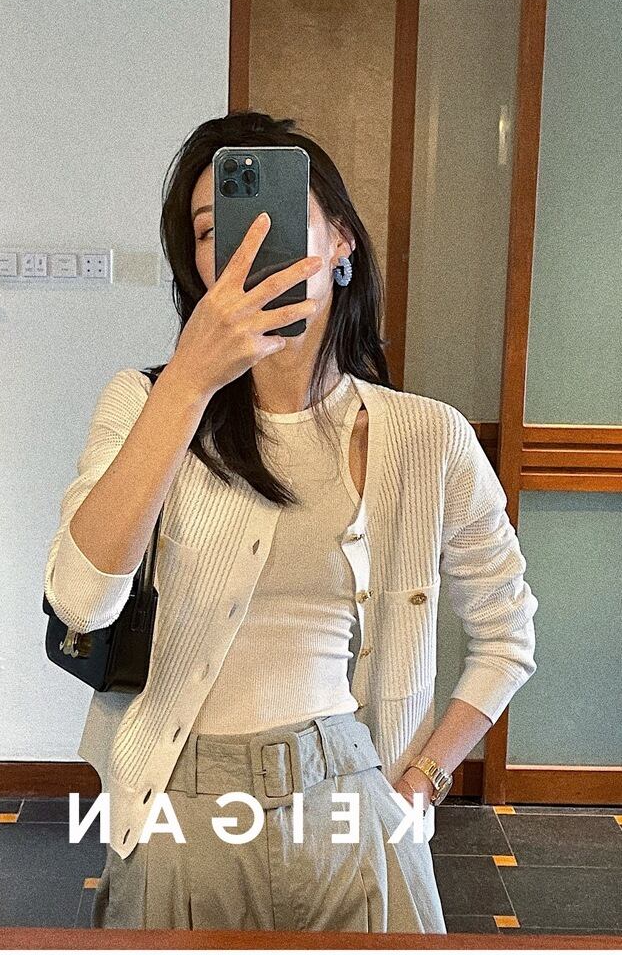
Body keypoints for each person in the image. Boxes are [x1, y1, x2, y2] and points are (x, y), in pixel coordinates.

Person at [44, 110, 538, 933]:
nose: (242, 247)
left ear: (340, 241)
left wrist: (421, 782)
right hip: (178, 809)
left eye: (271, 217)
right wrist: (188, 385)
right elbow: (81, 602)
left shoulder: (429, 437)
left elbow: (507, 636)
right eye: (212, 231)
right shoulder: (144, 404)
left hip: (356, 802)